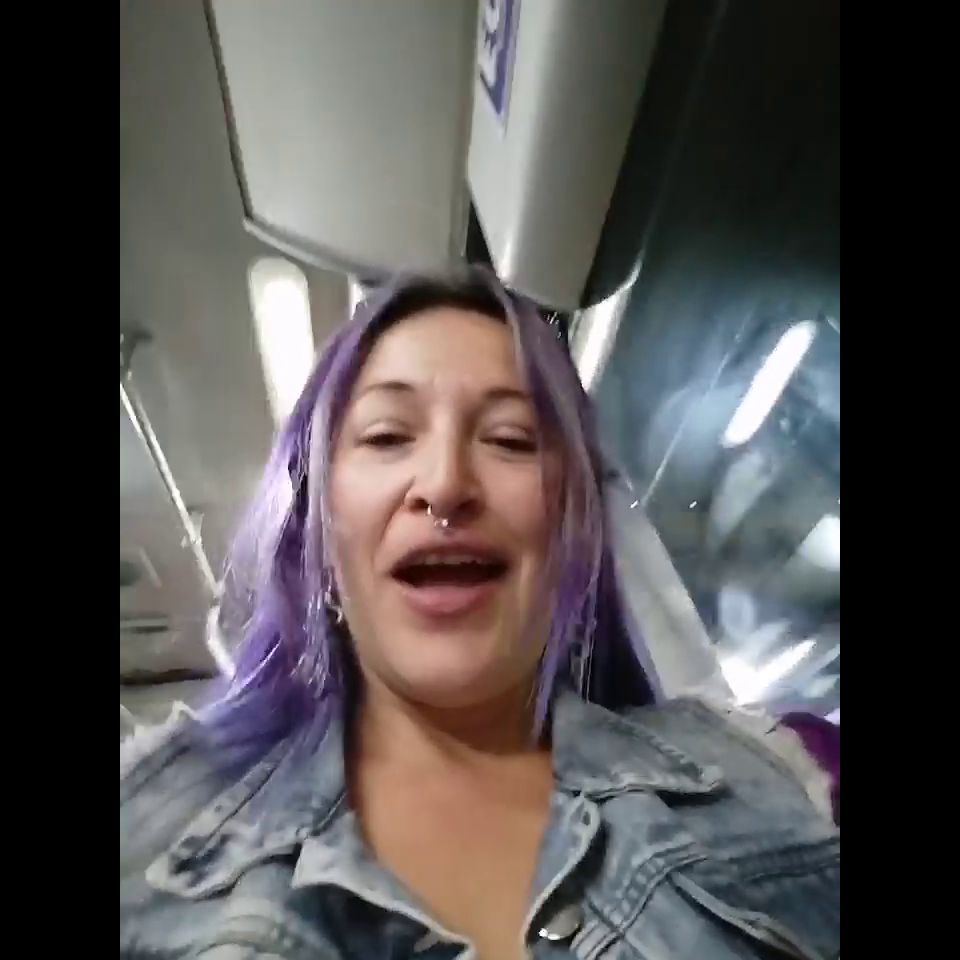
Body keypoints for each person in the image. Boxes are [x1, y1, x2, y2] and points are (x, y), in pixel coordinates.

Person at [121, 268, 839, 959]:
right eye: (386, 436)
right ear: (322, 536)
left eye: (510, 439)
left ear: (572, 532)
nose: (444, 485)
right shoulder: (141, 828)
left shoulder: (783, 776)